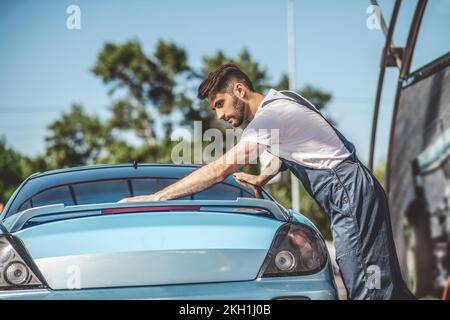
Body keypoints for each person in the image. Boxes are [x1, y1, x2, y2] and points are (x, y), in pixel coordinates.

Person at [119, 64, 415, 300]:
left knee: (369, 286)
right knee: (387, 285)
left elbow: (220, 169)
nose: (220, 115)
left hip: (347, 193)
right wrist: (263, 176)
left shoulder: (268, 117)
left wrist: (156, 198)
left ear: (240, 89)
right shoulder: (284, 99)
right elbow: (292, 150)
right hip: (356, 189)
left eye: (220, 104)